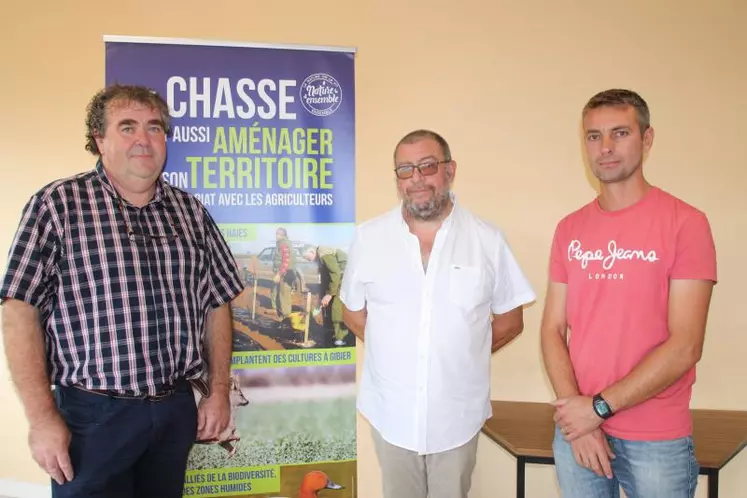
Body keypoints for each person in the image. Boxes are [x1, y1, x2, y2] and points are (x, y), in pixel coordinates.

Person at [0, 84, 245, 498]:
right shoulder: (58, 206)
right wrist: (42, 419)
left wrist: (218, 391)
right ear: (99, 140)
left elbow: (217, 302)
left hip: (174, 410)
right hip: (93, 417)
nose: (143, 139)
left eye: (154, 127)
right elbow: (18, 310)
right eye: (127, 127)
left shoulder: (190, 212)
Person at [540, 89, 717, 497]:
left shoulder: (685, 223)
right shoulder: (570, 228)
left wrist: (598, 408)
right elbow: (552, 330)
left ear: (647, 139)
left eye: (619, 133)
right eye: (593, 136)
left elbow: (686, 345)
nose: (604, 147)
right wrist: (577, 416)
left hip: (656, 439)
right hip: (578, 433)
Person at [340, 129, 536, 498]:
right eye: (405, 169)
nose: (416, 178)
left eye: (428, 166)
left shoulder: (486, 240)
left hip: (457, 415)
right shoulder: (369, 238)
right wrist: (403, 351)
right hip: (392, 413)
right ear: (397, 179)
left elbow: (511, 321)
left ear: (449, 170)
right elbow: (353, 314)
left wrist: (460, 352)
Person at [303, 245, 350, 346]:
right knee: (327, 304)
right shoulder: (320, 260)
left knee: (336, 307)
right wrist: (321, 299)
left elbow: (335, 273)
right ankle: (331, 331)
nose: (310, 261)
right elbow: (325, 280)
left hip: (343, 277)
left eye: (308, 258)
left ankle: (340, 339)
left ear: (312, 252)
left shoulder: (324, 253)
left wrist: (329, 295)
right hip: (337, 278)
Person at [270, 227, 297, 319]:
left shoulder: (284, 244)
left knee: (284, 297)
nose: (276, 236)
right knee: (279, 295)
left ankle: (286, 320)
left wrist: (278, 274)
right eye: (276, 234)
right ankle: (282, 318)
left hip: (284, 275)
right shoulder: (282, 243)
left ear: (282, 235)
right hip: (284, 274)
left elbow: (286, 261)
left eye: (278, 234)